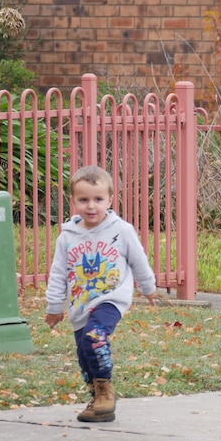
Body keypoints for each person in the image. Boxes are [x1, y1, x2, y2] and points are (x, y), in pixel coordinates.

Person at [45, 165, 158, 422]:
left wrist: (148, 287)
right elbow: (59, 273)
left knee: (95, 336)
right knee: (85, 355)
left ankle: (107, 392)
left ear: (110, 200)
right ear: (73, 201)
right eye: (83, 200)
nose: (91, 206)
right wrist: (54, 306)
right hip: (79, 305)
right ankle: (98, 399)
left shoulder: (121, 230)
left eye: (98, 199)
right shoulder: (67, 237)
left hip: (111, 300)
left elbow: (138, 260)